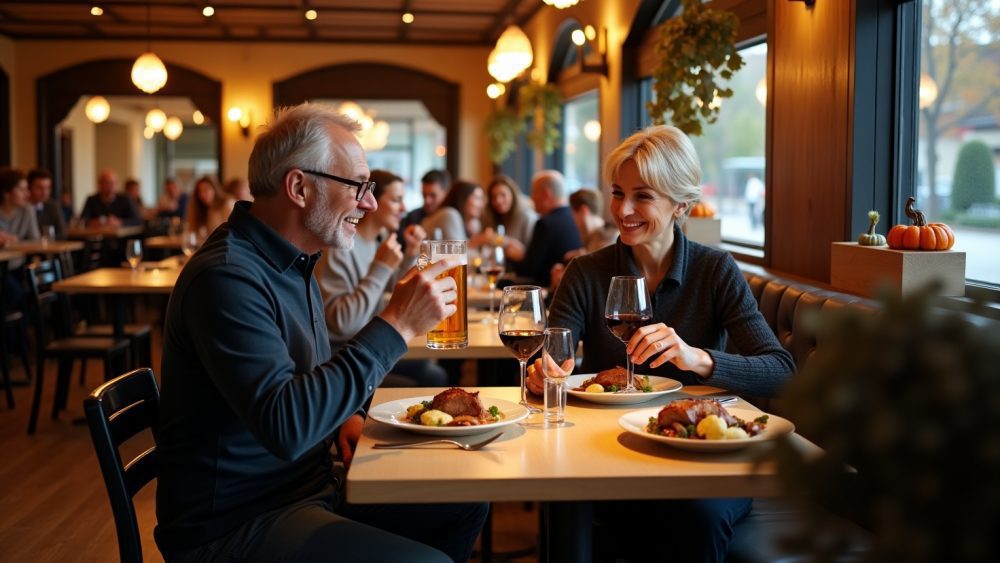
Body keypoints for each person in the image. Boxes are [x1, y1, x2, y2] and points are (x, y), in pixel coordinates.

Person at [156, 103, 486, 563]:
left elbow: (305, 373)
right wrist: (396, 324)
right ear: (299, 187)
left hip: (306, 489)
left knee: (464, 502)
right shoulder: (227, 277)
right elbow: (287, 426)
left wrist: (345, 414)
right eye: (358, 187)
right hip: (235, 523)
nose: (368, 203)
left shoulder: (293, 260)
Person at [527, 125, 795, 563]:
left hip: (703, 457)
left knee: (698, 518)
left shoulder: (716, 271)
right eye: (617, 193)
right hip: (608, 450)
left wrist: (699, 358)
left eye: (643, 196)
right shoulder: (586, 273)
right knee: (570, 507)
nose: (624, 209)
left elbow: (782, 372)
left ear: (682, 205)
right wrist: (544, 376)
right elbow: (552, 361)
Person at [315, 169, 446, 387]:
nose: (404, 208)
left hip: (368, 345)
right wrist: (382, 267)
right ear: (371, 202)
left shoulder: (377, 242)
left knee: (432, 371)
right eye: (396, 200)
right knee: (428, 378)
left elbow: (388, 292)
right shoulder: (340, 248)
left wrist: (410, 256)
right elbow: (343, 324)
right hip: (343, 357)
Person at [505, 170, 582, 287]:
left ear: (546, 194)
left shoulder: (545, 224)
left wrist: (515, 257)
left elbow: (528, 272)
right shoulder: (574, 217)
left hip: (546, 294)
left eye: (533, 192)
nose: (532, 198)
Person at [549, 188, 619, 291]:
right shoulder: (597, 238)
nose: (573, 220)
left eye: (573, 213)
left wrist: (564, 279)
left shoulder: (606, 241)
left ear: (583, 210)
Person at [0, 167, 40, 309]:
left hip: (18, 267)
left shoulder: (28, 210)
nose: (27, 194)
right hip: (2, 268)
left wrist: (14, 240)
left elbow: (36, 240)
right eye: (21, 190)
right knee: (16, 292)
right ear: (6, 193)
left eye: (27, 189)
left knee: (29, 295)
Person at [477, 174, 537, 250]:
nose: (498, 201)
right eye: (494, 197)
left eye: (503, 195)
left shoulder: (527, 217)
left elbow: (532, 252)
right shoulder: (491, 217)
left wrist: (505, 242)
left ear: (513, 195)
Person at [420, 180, 485, 241]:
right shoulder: (450, 214)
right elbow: (456, 251)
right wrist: (478, 241)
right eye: (477, 198)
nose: (481, 204)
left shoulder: (457, 218)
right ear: (463, 198)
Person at [27, 168, 67, 240]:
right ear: (29, 187)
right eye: (39, 188)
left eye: (47, 188)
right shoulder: (22, 207)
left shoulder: (53, 206)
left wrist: (44, 239)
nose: (44, 192)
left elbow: (63, 233)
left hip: (49, 248)